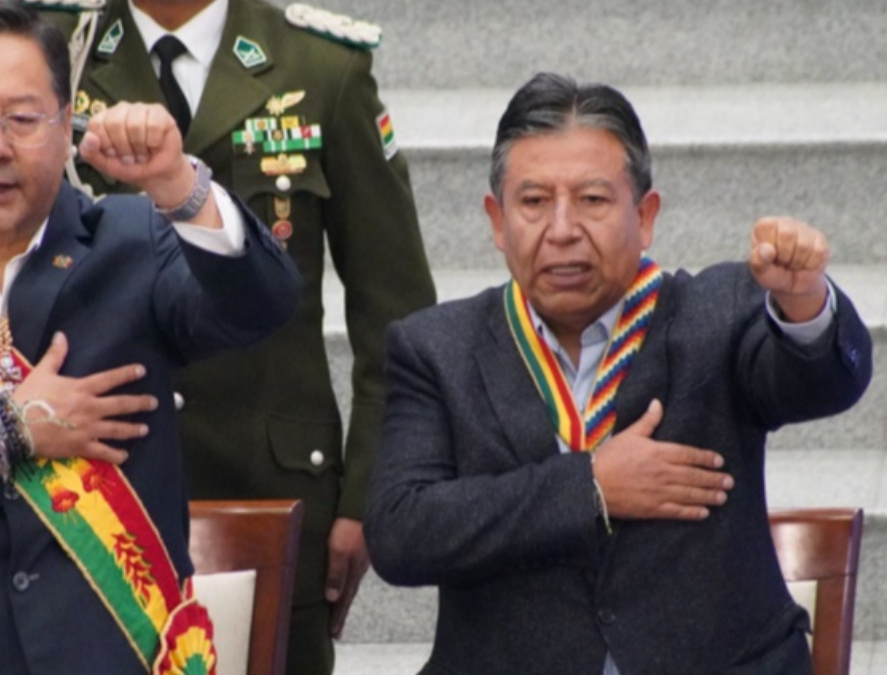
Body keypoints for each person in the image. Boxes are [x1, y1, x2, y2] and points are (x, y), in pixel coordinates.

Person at [0, 0, 436, 671]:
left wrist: (373, 487)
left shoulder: (321, 63)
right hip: (72, 492)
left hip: (264, 480)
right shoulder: (50, 46)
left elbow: (392, 302)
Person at [363, 72, 872, 675]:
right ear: (498, 221)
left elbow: (822, 382)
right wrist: (591, 486)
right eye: (533, 202)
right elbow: (401, 533)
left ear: (646, 214)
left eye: (593, 200)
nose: (562, 229)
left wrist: (804, 301)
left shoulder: (720, 313)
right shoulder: (436, 348)